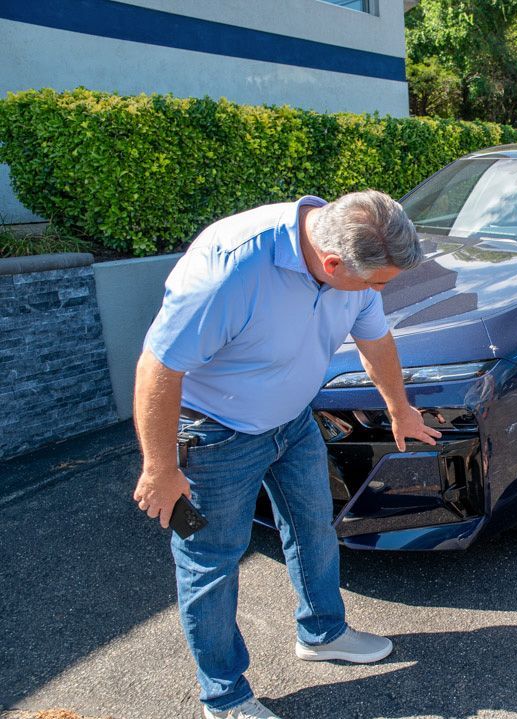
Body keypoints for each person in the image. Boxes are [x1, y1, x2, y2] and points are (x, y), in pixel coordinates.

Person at [132, 190, 442, 719]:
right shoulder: (230, 270)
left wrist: (400, 409)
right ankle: (224, 697)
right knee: (211, 563)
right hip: (215, 435)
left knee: (314, 525)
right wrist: (160, 467)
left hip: (294, 423)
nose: (379, 292)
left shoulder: (357, 264)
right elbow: (158, 367)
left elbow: (376, 340)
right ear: (331, 264)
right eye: (375, 283)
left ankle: (323, 633)